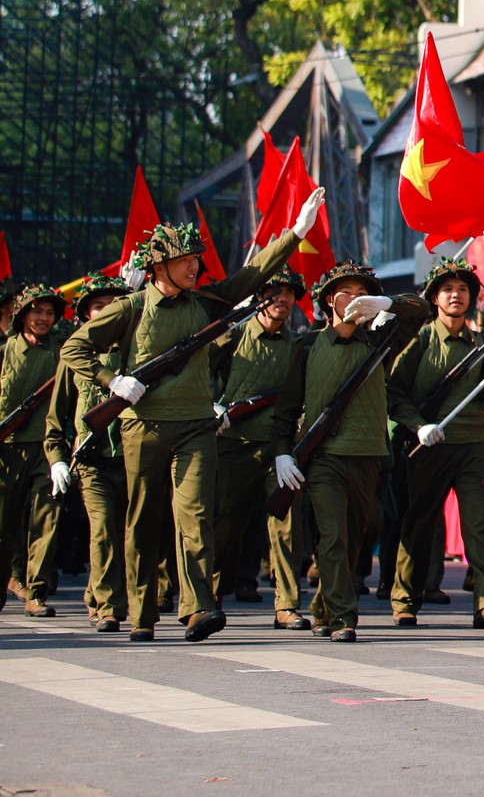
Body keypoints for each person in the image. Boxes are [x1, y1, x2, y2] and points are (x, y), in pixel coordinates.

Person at [61, 194, 317, 643]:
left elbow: (252, 275)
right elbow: (73, 348)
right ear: (158, 266)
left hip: (197, 426)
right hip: (144, 427)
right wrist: (111, 380)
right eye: (185, 261)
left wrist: (295, 234)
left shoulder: (208, 303)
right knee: (142, 519)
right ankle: (141, 614)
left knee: (195, 516)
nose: (194, 267)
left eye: (196, 260)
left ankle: (197, 607)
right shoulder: (131, 308)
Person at [269, 262, 428, 641]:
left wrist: (384, 303)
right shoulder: (306, 346)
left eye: (362, 293)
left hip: (368, 455)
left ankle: (325, 605)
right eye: (346, 293)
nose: (354, 300)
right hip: (323, 457)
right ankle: (344, 617)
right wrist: (282, 453)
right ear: (327, 301)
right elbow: (286, 409)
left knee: (356, 537)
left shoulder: (381, 341)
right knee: (334, 535)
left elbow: (419, 310)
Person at [385, 257, 484, 631]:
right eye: (448, 290)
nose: (456, 295)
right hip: (430, 445)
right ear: (435, 298)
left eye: (463, 290)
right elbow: (395, 393)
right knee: (419, 522)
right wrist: (418, 425)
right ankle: (405, 599)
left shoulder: (483, 344)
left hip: (473, 444)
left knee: (480, 524)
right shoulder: (419, 341)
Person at [207, 267, 311, 631]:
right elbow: (202, 376)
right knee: (226, 526)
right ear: (257, 297)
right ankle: (211, 597)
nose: (282, 299)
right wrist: (214, 405)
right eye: (274, 291)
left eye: (289, 294)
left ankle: (286, 604)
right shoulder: (230, 338)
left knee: (286, 526)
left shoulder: (299, 346)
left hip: (280, 448)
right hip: (233, 446)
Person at [44, 273, 135, 632]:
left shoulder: (135, 352)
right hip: (92, 460)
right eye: (99, 307)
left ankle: (105, 598)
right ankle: (109, 606)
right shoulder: (76, 358)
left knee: (128, 533)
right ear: (86, 316)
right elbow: (57, 416)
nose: (107, 312)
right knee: (102, 532)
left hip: (130, 456)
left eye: (114, 306)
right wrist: (58, 460)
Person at [0, 283, 65, 618]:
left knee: (45, 520)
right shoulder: (4, 350)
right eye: (37, 311)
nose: (43, 318)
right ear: (22, 314)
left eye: (49, 313)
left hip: (46, 448)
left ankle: (36, 592)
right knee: (3, 523)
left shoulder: (61, 351)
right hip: (6, 449)